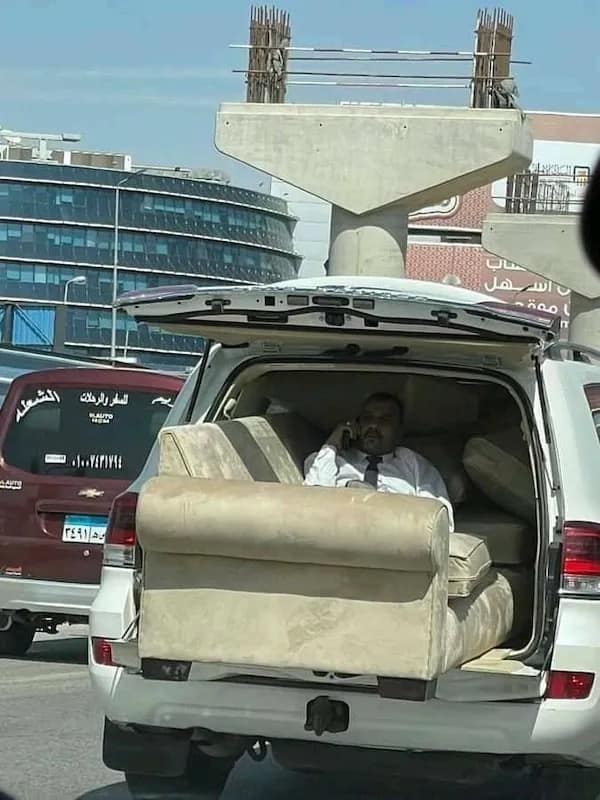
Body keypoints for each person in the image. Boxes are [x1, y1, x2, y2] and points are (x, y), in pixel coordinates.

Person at [303, 392, 454, 530]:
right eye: (367, 418)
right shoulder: (330, 459)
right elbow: (309, 502)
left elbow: (440, 522)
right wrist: (332, 444)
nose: (374, 425)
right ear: (358, 424)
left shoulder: (413, 464)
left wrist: (386, 505)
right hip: (337, 537)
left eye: (385, 420)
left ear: (399, 431)